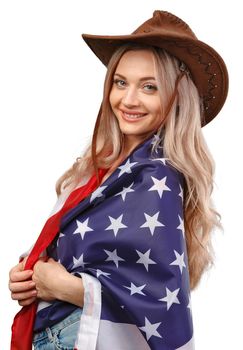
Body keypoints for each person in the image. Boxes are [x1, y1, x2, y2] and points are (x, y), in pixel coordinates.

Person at [9, 10, 228, 350]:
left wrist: (62, 287)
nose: (128, 100)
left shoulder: (156, 175)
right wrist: (30, 272)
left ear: (175, 98)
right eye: (121, 82)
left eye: (149, 87)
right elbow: (88, 254)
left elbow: (156, 301)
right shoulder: (98, 169)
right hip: (55, 334)